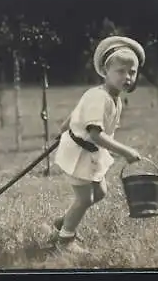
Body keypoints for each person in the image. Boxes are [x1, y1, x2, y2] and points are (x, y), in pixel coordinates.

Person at [44, 36, 146, 254]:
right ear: (106, 71)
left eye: (132, 72)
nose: (127, 77)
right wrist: (125, 151)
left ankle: (63, 223)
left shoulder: (114, 98)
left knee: (99, 193)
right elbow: (96, 134)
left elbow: (76, 112)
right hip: (79, 152)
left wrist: (63, 127)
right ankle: (65, 241)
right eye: (120, 71)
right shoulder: (99, 97)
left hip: (90, 152)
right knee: (85, 198)